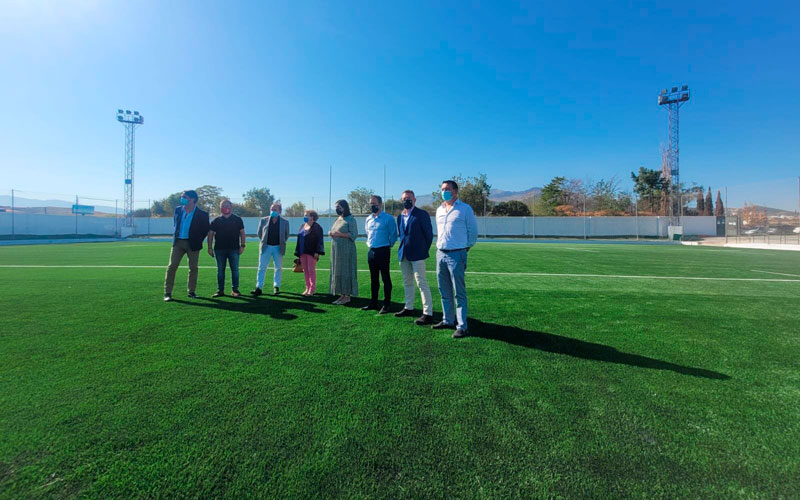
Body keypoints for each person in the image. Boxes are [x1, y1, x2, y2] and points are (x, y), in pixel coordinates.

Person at [434, 180, 478, 338]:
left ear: (455, 191)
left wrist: (466, 247)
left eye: (447, 189)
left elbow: (472, 231)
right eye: (442, 189)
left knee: (459, 292)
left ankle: (462, 326)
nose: (444, 191)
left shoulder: (465, 209)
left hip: (457, 254)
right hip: (441, 253)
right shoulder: (439, 210)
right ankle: (447, 320)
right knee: (443, 289)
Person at [394, 190, 435, 325]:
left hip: (418, 255)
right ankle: (409, 307)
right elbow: (402, 235)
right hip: (404, 254)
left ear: (415, 200)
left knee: (421, 283)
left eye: (409, 198)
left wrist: (423, 250)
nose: (407, 200)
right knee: (407, 282)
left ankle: (427, 313)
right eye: (404, 199)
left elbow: (428, 235)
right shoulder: (400, 217)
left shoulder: (421, 214)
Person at [164, 190, 210, 301]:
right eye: (182, 197)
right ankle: (167, 293)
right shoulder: (178, 210)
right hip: (178, 243)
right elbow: (176, 224)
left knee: (193, 268)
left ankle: (191, 291)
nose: (182, 199)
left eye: (184, 197)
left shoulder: (202, 214)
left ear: (192, 199)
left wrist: (197, 240)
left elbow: (205, 230)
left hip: (193, 244)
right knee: (172, 266)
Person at [363, 194, 398, 314]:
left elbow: (393, 235)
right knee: (373, 279)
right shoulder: (368, 219)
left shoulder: (388, 218)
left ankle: (387, 304)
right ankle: (373, 303)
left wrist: (387, 245)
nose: (372, 206)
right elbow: (368, 233)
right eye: (371, 204)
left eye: (374, 203)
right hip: (371, 251)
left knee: (385, 278)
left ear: (380, 204)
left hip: (383, 251)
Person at [207, 199, 246, 297]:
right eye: (223, 205)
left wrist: (242, 245)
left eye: (227, 205)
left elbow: (242, 233)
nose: (225, 207)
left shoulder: (237, 219)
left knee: (235, 271)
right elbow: (210, 234)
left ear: (231, 206)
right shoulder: (216, 220)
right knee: (220, 271)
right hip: (219, 250)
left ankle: (235, 290)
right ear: (220, 208)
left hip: (234, 249)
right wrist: (209, 248)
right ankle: (220, 290)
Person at [252, 202, 290, 296]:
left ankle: (276, 286)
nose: (273, 211)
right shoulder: (263, 220)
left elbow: (286, 235)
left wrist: (280, 243)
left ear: (280, 211)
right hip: (266, 247)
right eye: (272, 209)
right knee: (261, 268)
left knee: (278, 268)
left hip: (278, 247)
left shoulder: (285, 222)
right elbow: (259, 233)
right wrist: (264, 242)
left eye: (275, 209)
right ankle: (259, 287)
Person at [329, 199, 358, 305]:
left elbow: (354, 235)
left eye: (339, 207)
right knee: (339, 271)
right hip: (337, 252)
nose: (337, 209)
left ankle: (347, 296)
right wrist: (331, 233)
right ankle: (342, 295)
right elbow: (336, 231)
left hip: (347, 251)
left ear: (345, 207)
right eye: (336, 207)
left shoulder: (351, 219)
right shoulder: (338, 219)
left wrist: (339, 234)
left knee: (346, 271)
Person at [294, 209, 324, 296]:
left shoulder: (317, 227)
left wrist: (317, 252)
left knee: (311, 270)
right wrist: (298, 252)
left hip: (312, 252)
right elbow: (299, 239)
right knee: (305, 270)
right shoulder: (302, 226)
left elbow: (319, 240)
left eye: (306, 215)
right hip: (302, 251)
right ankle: (307, 288)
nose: (305, 216)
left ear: (312, 217)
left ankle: (312, 289)